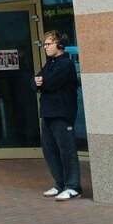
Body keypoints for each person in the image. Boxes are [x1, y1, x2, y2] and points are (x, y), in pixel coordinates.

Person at [35, 31, 82, 201]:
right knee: (50, 151)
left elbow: (50, 83)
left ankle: (73, 186)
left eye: (49, 44)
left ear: (59, 45)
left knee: (67, 151)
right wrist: (38, 82)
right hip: (47, 113)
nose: (45, 47)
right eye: (45, 44)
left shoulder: (66, 64)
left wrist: (41, 83)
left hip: (62, 113)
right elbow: (35, 82)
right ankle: (60, 184)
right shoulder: (49, 64)